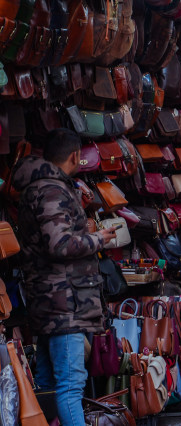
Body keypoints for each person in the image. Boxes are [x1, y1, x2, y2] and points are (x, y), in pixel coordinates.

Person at [13, 129, 117, 426]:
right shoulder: (52, 190)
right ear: (75, 156)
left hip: (50, 301)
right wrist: (98, 239)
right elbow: (60, 244)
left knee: (48, 384)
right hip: (65, 303)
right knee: (70, 387)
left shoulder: (39, 187)